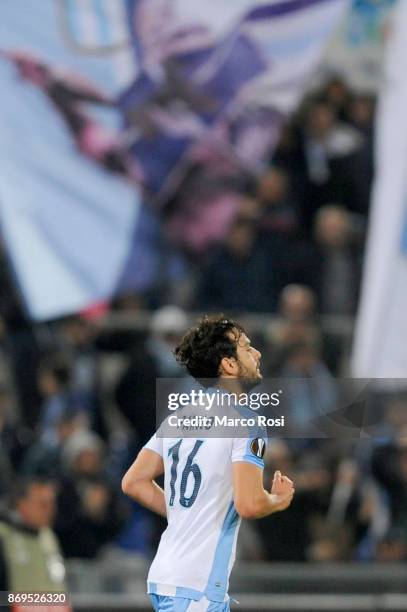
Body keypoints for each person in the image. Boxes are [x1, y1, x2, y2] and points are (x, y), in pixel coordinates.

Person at [122, 316, 295, 611]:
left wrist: (187, 514)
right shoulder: (246, 421)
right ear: (228, 364)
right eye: (246, 348)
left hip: (167, 576)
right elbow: (249, 504)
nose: (257, 354)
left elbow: (133, 482)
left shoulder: (177, 419)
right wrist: (277, 499)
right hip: (198, 587)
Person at [0, 476, 67, 598]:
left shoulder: (48, 536)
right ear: (22, 504)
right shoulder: (3, 534)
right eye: (43, 504)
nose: (50, 510)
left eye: (52, 504)